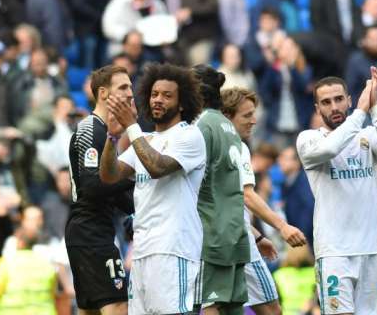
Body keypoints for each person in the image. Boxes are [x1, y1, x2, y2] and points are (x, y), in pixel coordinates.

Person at [99, 63, 206, 314]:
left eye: (167, 96)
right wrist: (112, 138)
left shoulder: (189, 136)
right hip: (142, 250)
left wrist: (131, 127)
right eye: (155, 94)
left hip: (173, 249)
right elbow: (109, 175)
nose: (158, 100)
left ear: (182, 104)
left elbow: (157, 166)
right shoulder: (145, 139)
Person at [296, 67, 377, 314]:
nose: (334, 107)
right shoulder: (309, 140)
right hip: (334, 252)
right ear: (317, 108)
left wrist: (374, 105)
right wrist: (361, 113)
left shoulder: (366, 136)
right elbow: (331, 149)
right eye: (326, 102)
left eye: (339, 99)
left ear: (349, 100)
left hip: (370, 248)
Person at [221, 87, 307, 314]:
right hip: (238, 244)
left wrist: (257, 236)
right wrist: (282, 226)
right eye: (247, 115)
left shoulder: (208, 147)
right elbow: (247, 195)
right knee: (272, 308)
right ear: (228, 116)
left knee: (221, 308)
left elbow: (225, 205)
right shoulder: (236, 147)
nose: (254, 121)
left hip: (215, 241)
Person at [66, 65, 135, 315]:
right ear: (104, 93)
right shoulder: (90, 129)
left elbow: (112, 190)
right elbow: (93, 186)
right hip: (91, 231)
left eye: (130, 86)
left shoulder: (107, 133)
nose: (130, 93)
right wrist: (134, 176)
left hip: (91, 230)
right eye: (123, 87)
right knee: (118, 307)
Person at [191, 64, 249, 314]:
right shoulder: (228, 127)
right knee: (232, 308)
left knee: (209, 304)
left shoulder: (202, 126)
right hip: (235, 231)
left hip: (211, 232)